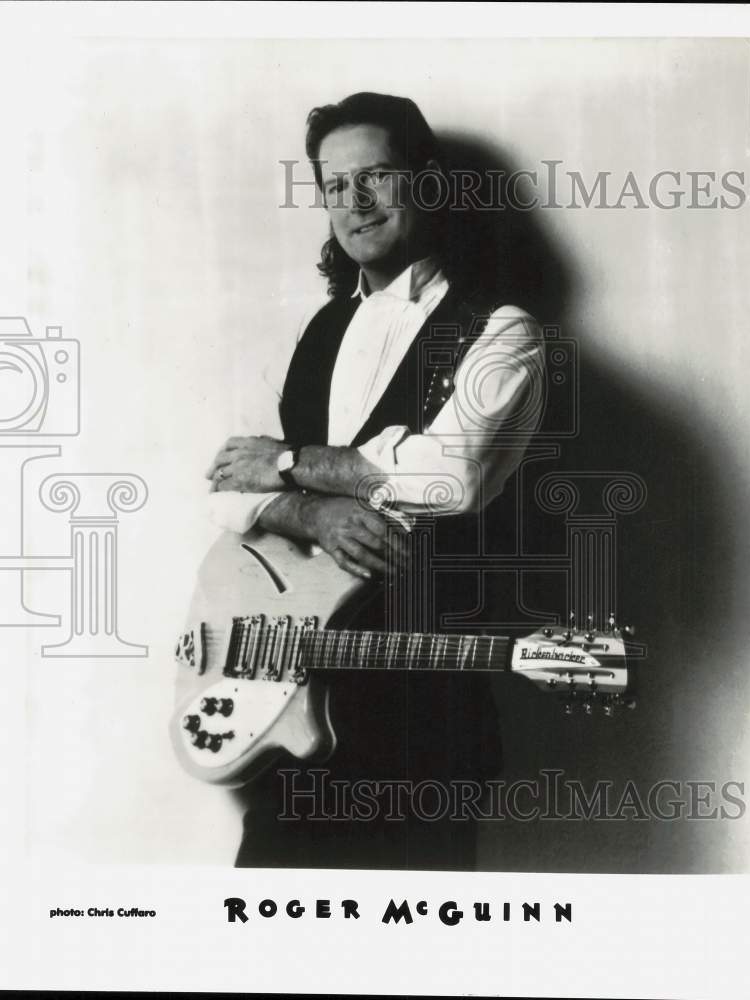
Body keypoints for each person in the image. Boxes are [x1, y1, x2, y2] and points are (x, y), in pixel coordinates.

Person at [205, 92, 545, 869]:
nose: (353, 203)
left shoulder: (503, 328)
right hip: (288, 700)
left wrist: (290, 465)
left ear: (427, 182)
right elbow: (227, 485)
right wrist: (307, 509)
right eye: (333, 186)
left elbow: (448, 479)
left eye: (377, 176)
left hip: (427, 716)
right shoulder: (314, 329)